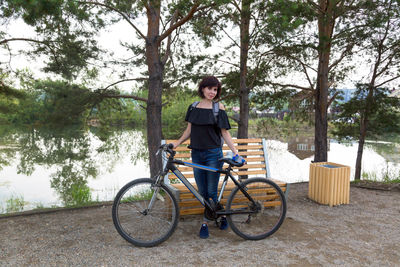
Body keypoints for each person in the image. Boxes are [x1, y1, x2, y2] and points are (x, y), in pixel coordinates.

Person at [172, 75, 244, 239]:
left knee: (211, 191)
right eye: (210, 88)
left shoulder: (219, 108)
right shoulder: (194, 106)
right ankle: (222, 215)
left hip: (213, 154)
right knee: (202, 191)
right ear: (203, 88)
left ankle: (205, 223)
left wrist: (235, 152)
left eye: (215, 89)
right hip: (196, 153)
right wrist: (176, 144)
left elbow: (224, 132)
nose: (212, 92)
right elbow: (189, 130)